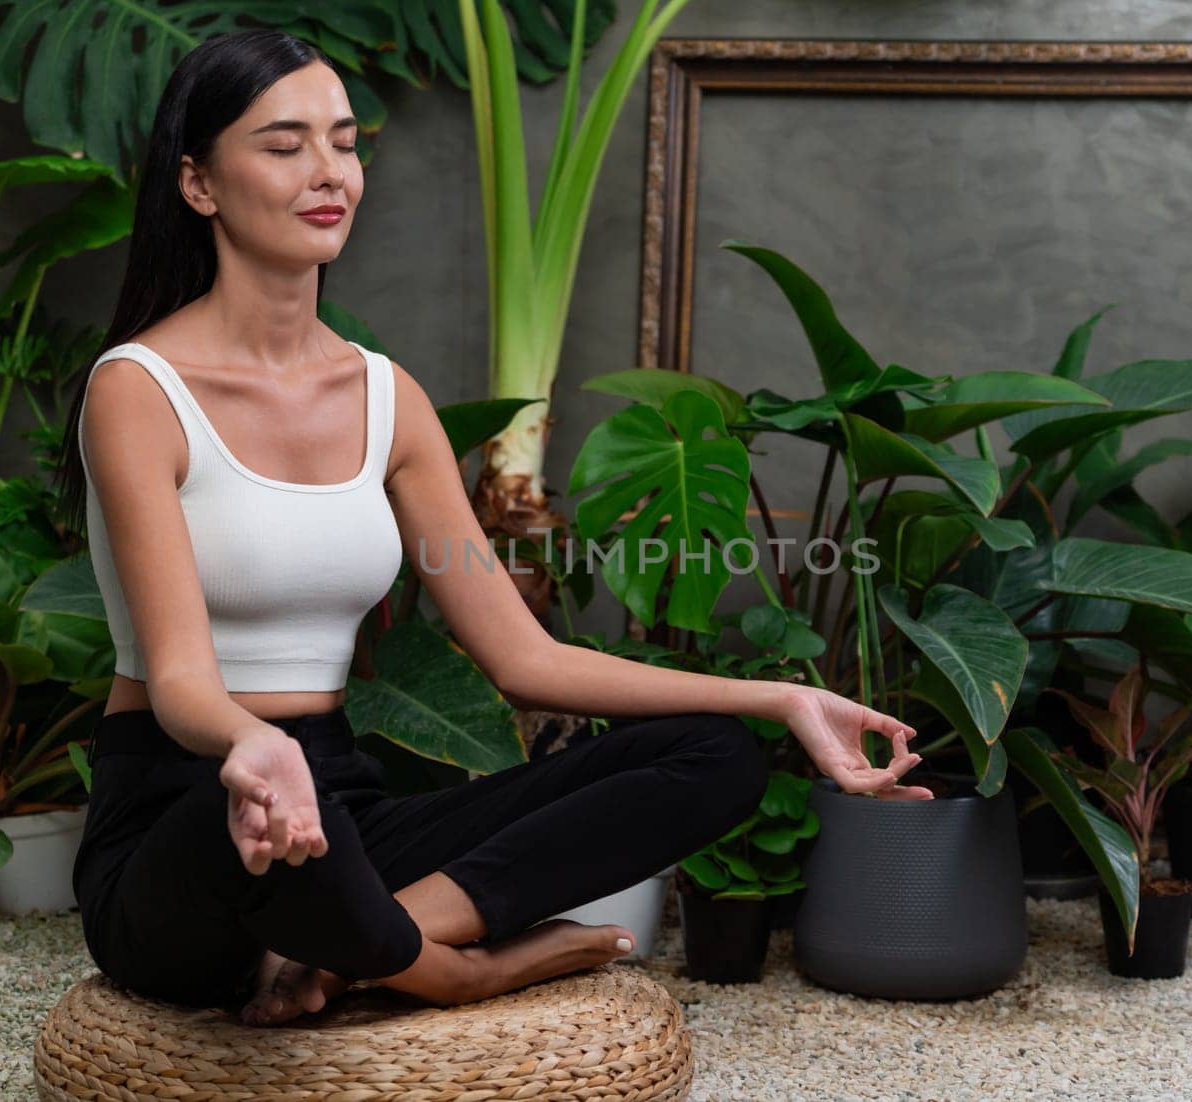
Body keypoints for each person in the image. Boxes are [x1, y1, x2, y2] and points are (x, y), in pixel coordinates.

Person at [55, 27, 931, 1030]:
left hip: (337, 805)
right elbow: (177, 683)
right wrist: (256, 751)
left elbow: (523, 657)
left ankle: (350, 954)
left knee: (712, 756)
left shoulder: (387, 399)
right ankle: (454, 969)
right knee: (261, 832)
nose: (329, 172)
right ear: (198, 183)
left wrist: (781, 697)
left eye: (343, 142)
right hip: (185, 810)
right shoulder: (140, 390)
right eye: (283, 144)